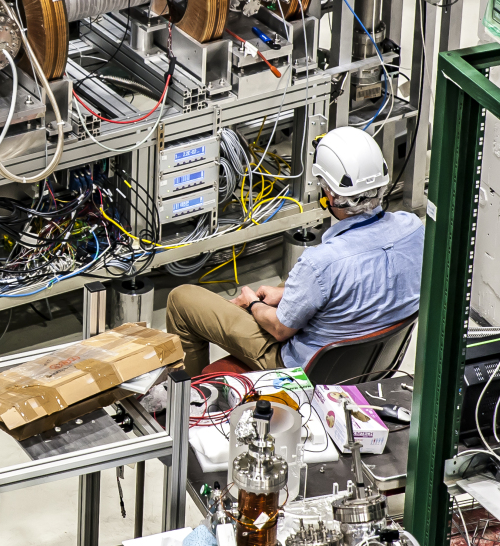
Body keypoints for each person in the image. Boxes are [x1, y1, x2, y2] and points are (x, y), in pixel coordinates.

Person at [165, 126, 423, 373]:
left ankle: (193, 398)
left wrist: (253, 303)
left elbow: (279, 330)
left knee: (182, 300)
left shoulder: (321, 263)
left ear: (330, 196)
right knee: (291, 279)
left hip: (305, 369)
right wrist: (286, 293)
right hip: (372, 362)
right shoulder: (414, 229)